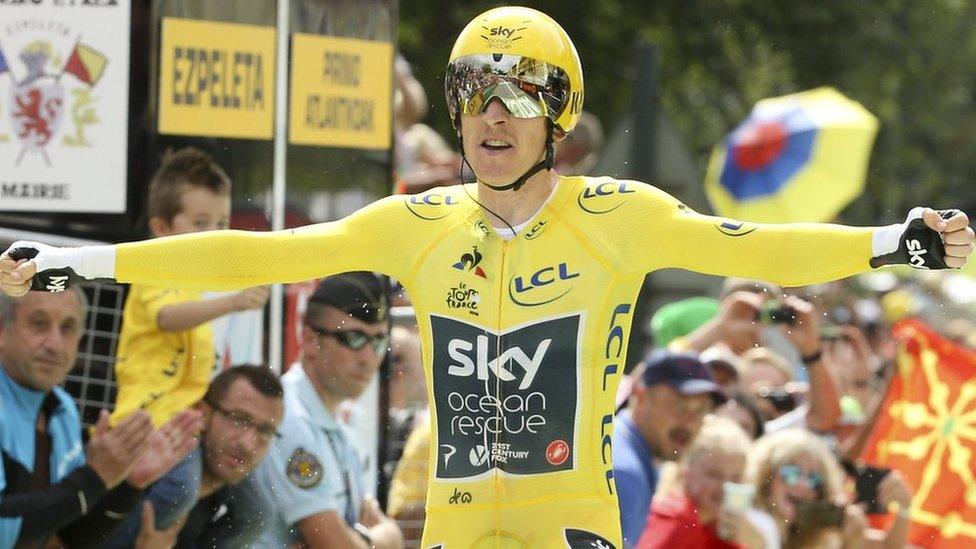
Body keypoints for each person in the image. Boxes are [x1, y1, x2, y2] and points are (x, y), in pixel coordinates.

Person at [0, 5, 973, 547]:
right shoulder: (418, 221)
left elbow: (757, 253)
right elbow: (256, 254)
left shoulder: (618, 215)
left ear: (558, 116)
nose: (488, 120)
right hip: (454, 531)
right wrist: (82, 259)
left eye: (514, 100)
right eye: (472, 99)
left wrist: (893, 242)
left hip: (573, 528)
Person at [0, 289, 201, 547]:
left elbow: (65, 537)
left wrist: (126, 485)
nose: (54, 343)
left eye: (67, 328)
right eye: (39, 324)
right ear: (3, 331)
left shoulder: (63, 411)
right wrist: (95, 478)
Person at [111, 147, 269, 428]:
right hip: (148, 424)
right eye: (200, 223)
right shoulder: (152, 268)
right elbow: (168, 317)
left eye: (221, 224)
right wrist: (233, 302)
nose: (214, 235)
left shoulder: (195, 283)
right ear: (161, 228)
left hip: (182, 423)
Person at [249, 273, 402, 548]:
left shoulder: (340, 429)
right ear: (310, 341)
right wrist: (386, 538)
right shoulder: (290, 418)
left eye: (379, 341)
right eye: (353, 339)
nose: (368, 357)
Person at [102, 365, 284, 548]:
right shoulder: (147, 469)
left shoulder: (245, 509)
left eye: (264, 431)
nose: (248, 443)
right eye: (239, 419)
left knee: (261, 512)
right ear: (202, 414)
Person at [614, 350, 728, 547]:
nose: (689, 423)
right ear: (641, 397)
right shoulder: (625, 474)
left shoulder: (628, 450)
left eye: (701, 410)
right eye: (678, 405)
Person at [745, 429, 912, 548]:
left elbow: (890, 547)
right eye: (792, 473)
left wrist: (904, 509)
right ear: (766, 474)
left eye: (814, 479)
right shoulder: (745, 520)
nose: (803, 485)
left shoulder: (815, 527)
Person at [634, 416, 756, 549]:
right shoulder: (678, 519)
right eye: (714, 474)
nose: (725, 487)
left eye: (736, 478)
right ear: (685, 471)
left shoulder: (716, 527)